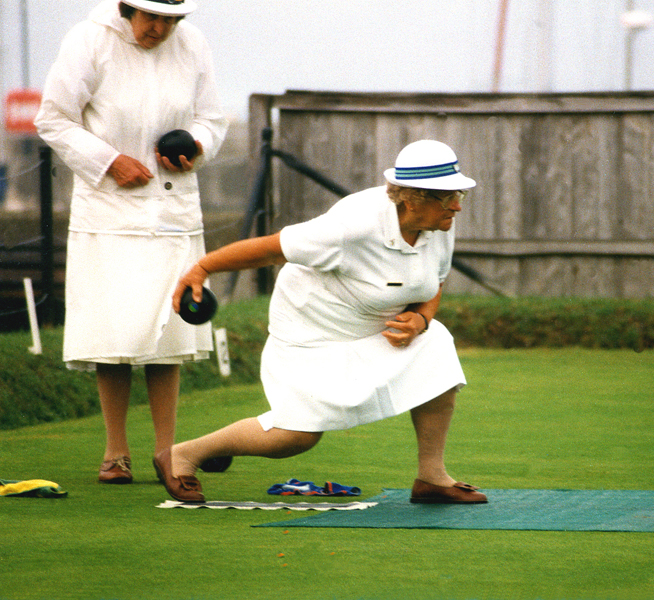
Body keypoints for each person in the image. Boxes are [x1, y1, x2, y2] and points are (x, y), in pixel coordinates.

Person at [156, 140, 487, 504]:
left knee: (435, 343)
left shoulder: (440, 223)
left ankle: (432, 478)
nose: (456, 205)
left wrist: (422, 318)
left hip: (374, 328)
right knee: (294, 438)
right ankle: (184, 454)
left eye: (458, 194)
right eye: (445, 197)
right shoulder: (351, 226)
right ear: (411, 198)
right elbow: (270, 249)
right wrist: (202, 269)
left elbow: (432, 283)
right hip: (309, 331)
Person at [34, 0, 228, 485]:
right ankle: (115, 451)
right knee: (112, 331)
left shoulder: (192, 45)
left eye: (170, 19)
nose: (159, 29)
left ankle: (169, 451)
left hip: (171, 206)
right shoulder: (89, 40)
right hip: (109, 208)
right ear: (126, 9)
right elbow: (54, 118)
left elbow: (212, 119)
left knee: (168, 331)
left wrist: (196, 145)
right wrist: (108, 160)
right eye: (151, 17)